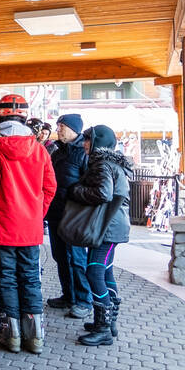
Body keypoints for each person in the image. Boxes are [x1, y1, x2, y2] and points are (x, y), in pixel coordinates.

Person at [0, 94, 56, 353]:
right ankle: (35, 335)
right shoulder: (39, 148)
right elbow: (50, 187)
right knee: (30, 278)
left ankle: (10, 333)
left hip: (3, 224)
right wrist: (37, 212)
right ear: (25, 115)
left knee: (7, 278)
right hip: (30, 226)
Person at [68, 125, 132, 347]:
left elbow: (103, 193)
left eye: (87, 140)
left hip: (107, 227)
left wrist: (76, 191)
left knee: (94, 271)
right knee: (105, 271)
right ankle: (108, 322)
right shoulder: (113, 162)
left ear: (98, 143)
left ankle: (103, 327)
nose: (84, 144)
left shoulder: (101, 164)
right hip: (114, 226)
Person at [46, 114, 91, 319]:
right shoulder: (58, 151)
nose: (58, 129)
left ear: (74, 130)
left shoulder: (84, 152)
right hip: (56, 212)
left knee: (76, 258)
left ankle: (84, 300)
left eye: (62, 126)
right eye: (58, 125)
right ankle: (68, 295)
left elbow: (90, 184)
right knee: (60, 256)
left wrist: (73, 195)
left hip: (74, 215)